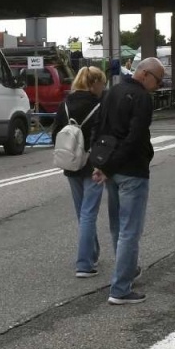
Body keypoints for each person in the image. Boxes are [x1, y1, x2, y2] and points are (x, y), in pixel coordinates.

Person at [91, 56, 163, 305]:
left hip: (112, 168)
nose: (158, 86)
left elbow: (99, 128)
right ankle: (120, 288)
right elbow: (135, 138)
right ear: (145, 74)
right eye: (158, 80)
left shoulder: (113, 91)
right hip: (132, 170)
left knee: (117, 227)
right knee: (130, 231)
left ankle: (128, 270)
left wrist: (102, 164)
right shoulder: (142, 98)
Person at [53, 66, 107, 278]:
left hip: (71, 163)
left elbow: (55, 132)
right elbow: (105, 134)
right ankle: (84, 264)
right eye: (102, 83)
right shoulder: (99, 104)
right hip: (93, 163)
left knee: (82, 212)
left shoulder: (65, 104)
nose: (104, 87)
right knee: (89, 213)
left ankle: (92, 253)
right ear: (94, 83)